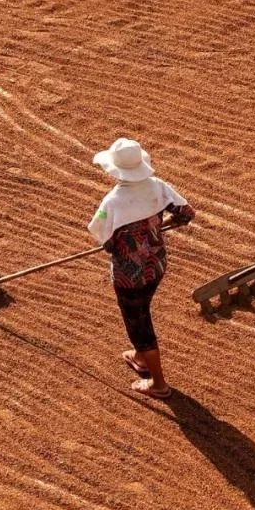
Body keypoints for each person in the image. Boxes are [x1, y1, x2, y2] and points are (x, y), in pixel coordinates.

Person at [88, 138, 195, 399]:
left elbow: (104, 238)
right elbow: (186, 213)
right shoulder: (157, 186)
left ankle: (158, 383)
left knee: (139, 324)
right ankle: (139, 356)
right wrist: (157, 227)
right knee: (143, 308)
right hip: (156, 264)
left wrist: (125, 240)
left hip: (129, 276)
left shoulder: (112, 202)